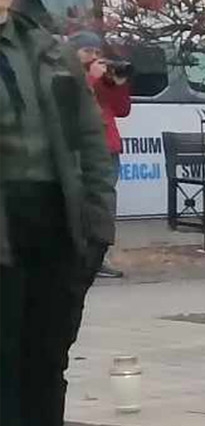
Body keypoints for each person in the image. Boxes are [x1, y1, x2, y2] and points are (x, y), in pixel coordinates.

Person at [1, 0, 126, 426]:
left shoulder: (48, 49)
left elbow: (87, 140)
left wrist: (99, 223)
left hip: (55, 219)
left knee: (46, 354)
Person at [71, 33, 127, 280]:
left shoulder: (100, 77)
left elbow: (122, 109)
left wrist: (117, 83)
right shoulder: (68, 75)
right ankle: (80, 254)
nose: (94, 55)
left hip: (108, 147)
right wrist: (91, 80)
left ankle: (100, 255)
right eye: (87, 50)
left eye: (97, 50)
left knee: (105, 204)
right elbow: (73, 104)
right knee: (81, 204)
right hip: (82, 149)